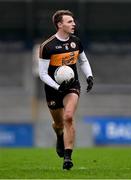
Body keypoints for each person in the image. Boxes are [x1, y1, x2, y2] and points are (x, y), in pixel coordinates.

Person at [39, 10, 94, 170]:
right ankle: (59, 135)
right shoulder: (47, 46)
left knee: (68, 117)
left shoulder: (76, 41)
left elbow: (83, 60)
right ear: (59, 24)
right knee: (58, 123)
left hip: (72, 85)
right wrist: (57, 86)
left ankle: (67, 158)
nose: (73, 24)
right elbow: (42, 74)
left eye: (73, 21)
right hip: (53, 88)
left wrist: (89, 76)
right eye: (69, 22)